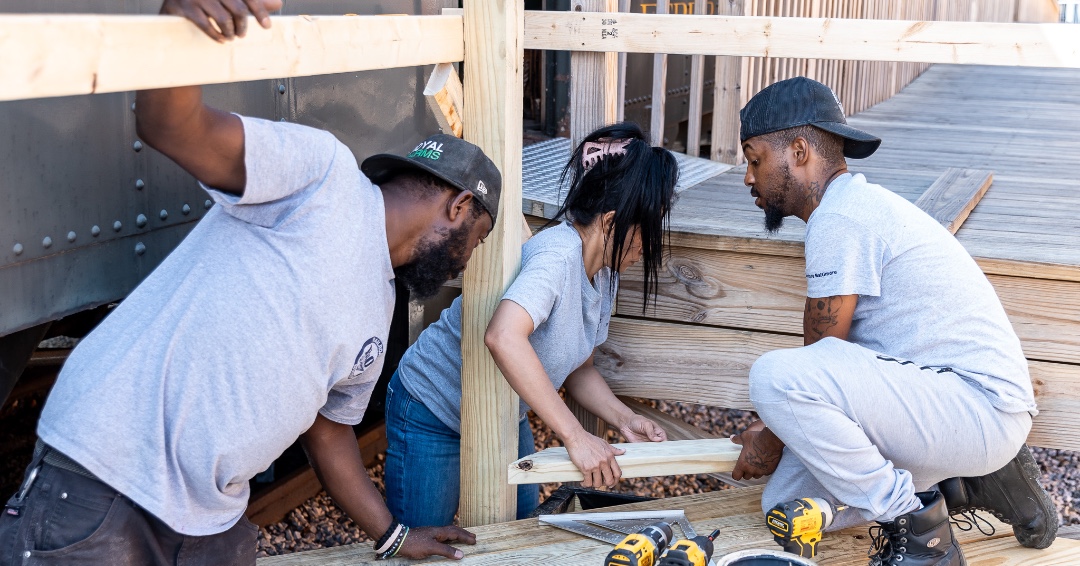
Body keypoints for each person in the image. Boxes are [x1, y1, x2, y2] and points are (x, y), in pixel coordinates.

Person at [0, 1, 494, 563]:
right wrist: (181, 25)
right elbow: (172, 126)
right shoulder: (324, 176)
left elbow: (329, 432)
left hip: (210, 517)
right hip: (110, 478)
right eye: (477, 242)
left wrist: (394, 535)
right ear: (459, 206)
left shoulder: (380, 304)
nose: (466, 263)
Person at [727, 77, 1057, 566]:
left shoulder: (841, 218)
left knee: (773, 378)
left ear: (798, 151)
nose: (749, 178)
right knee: (786, 510)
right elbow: (829, 372)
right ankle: (963, 481)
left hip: (976, 408)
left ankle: (922, 532)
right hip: (947, 410)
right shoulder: (851, 208)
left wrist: (767, 443)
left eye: (755, 160)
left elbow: (814, 361)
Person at [383, 123, 679, 526]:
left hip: (505, 410)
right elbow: (503, 336)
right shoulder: (557, 256)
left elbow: (580, 367)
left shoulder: (605, 274)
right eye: (646, 229)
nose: (646, 247)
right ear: (610, 223)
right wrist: (575, 437)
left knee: (522, 530)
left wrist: (624, 419)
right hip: (432, 406)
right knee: (426, 538)